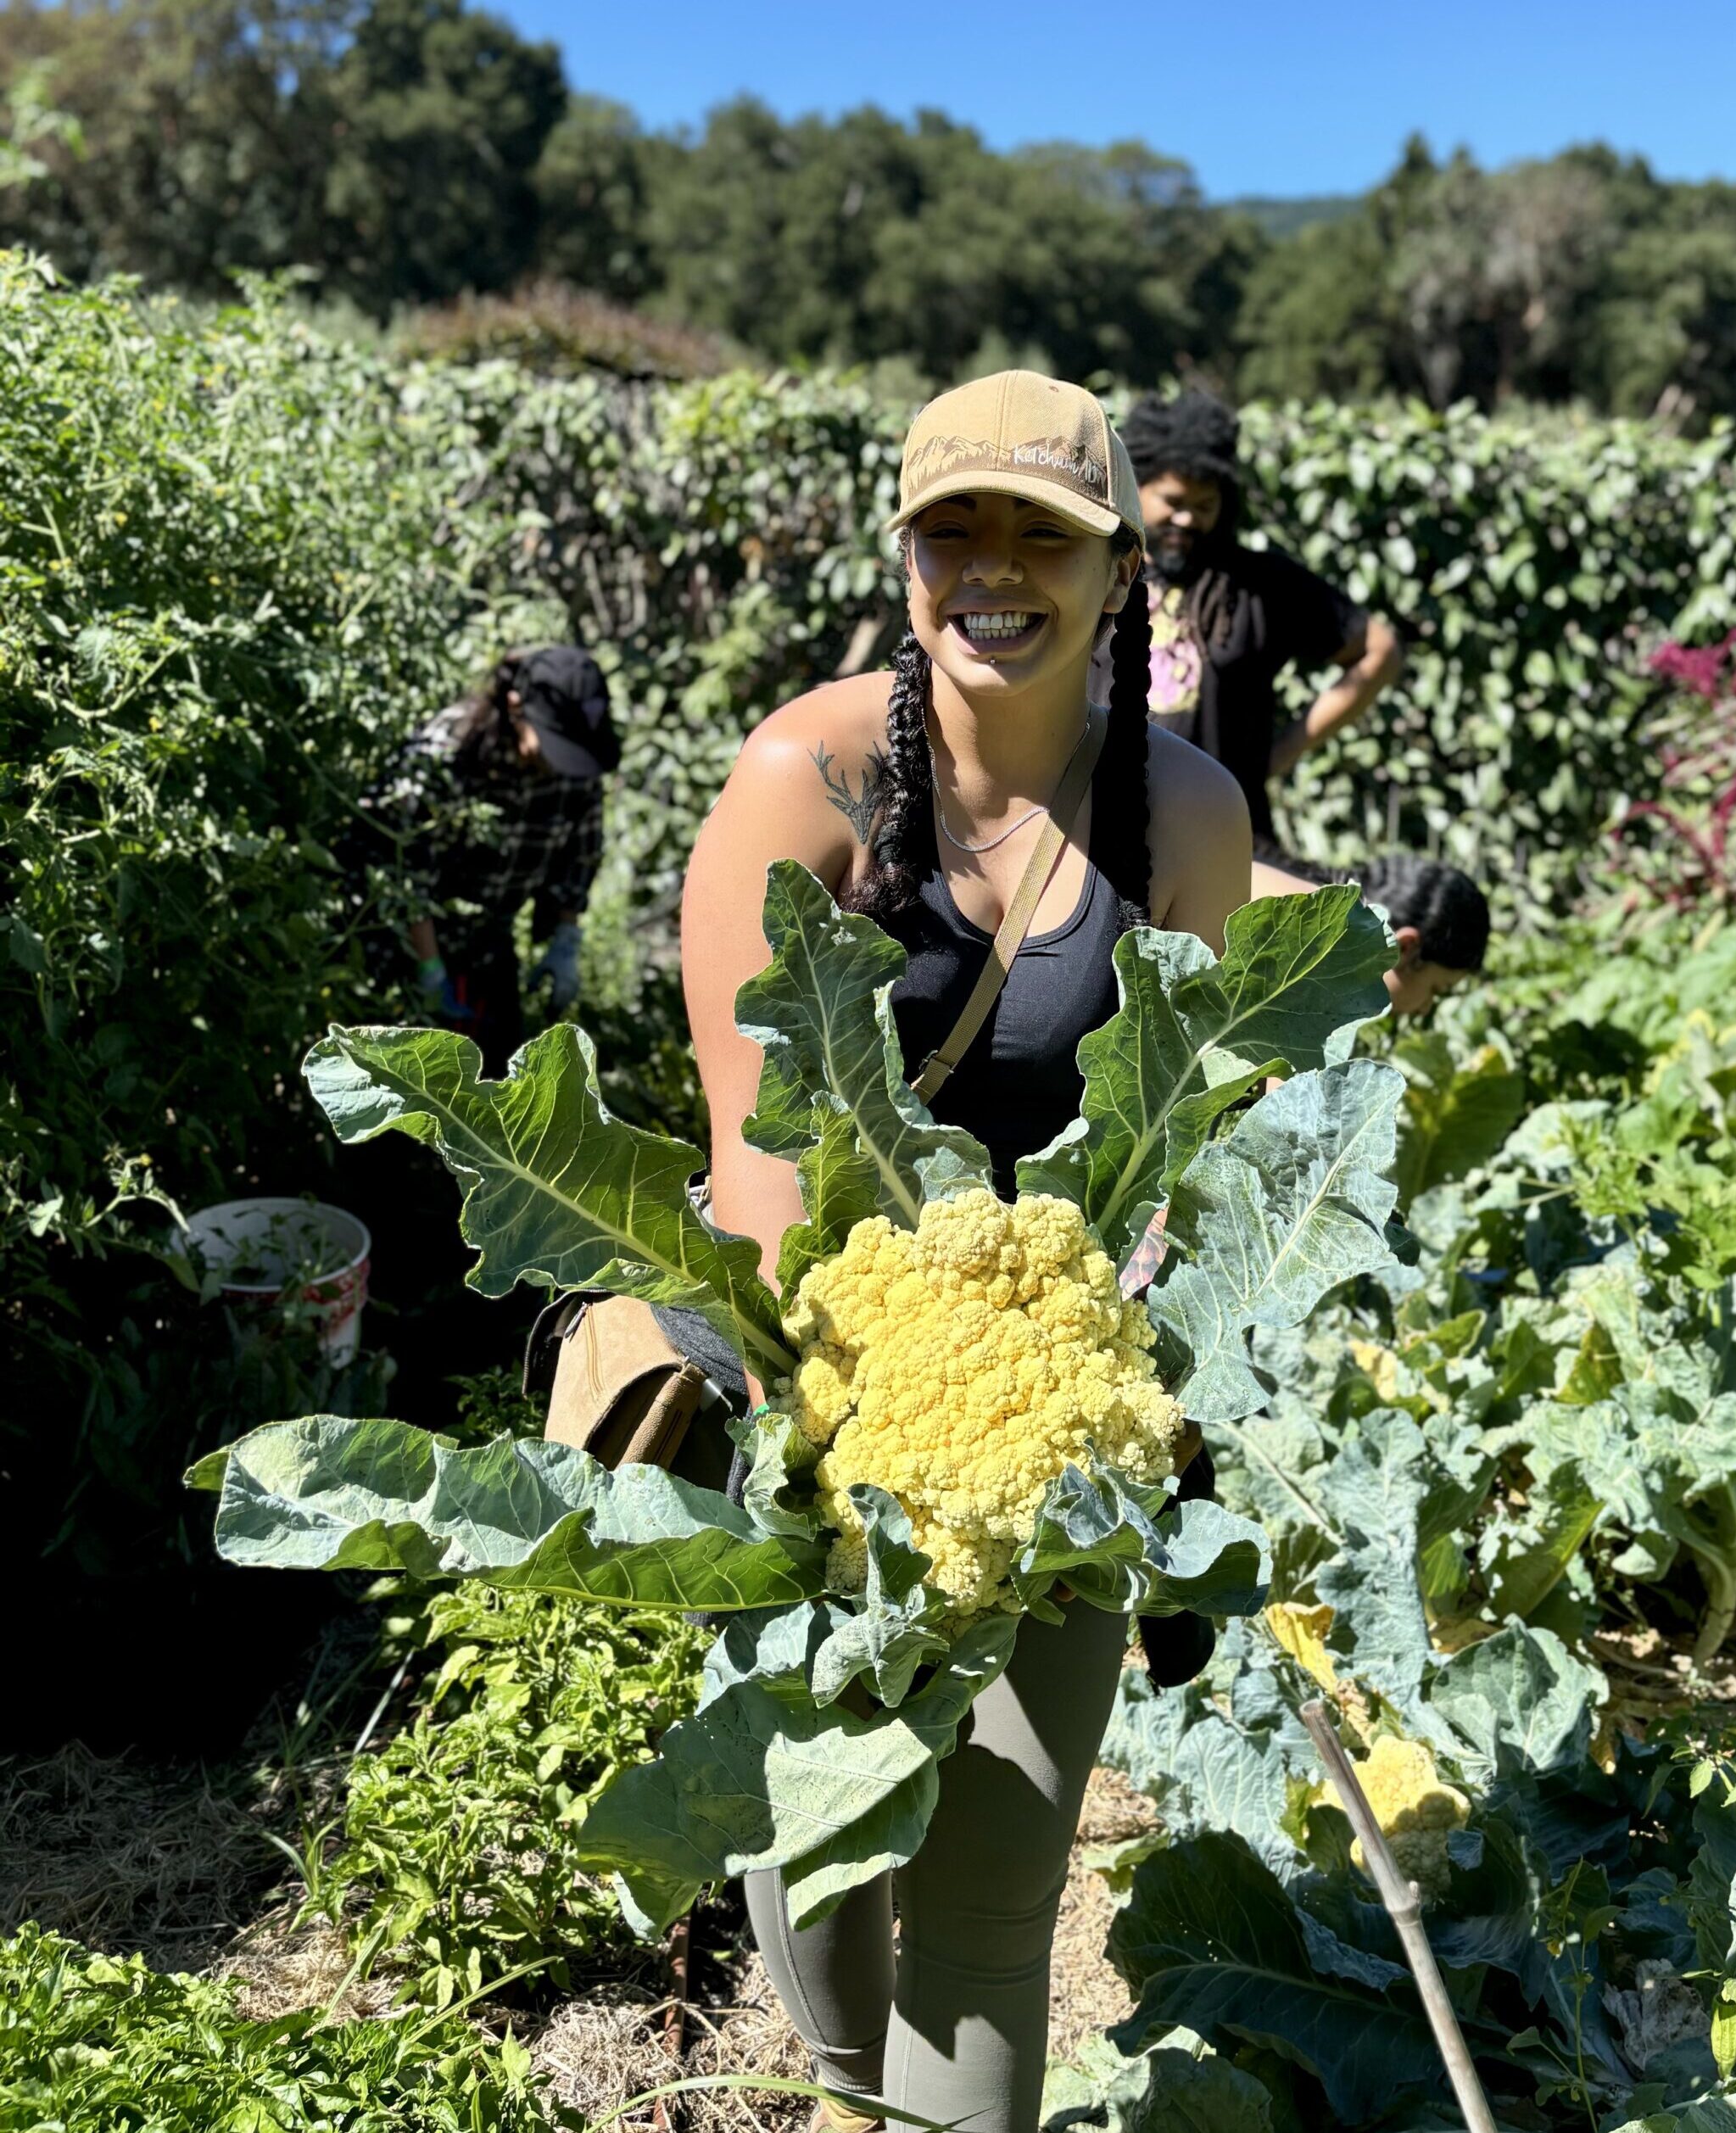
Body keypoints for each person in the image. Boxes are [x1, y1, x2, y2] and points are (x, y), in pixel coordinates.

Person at [678, 370, 1249, 2133]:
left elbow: (1181, 1153)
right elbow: (758, 1170)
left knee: (997, 1907)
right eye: (956, 528)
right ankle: (849, 2083)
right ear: (905, 550)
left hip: (1055, 1426)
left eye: (1045, 535)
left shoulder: (1192, 817)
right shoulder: (806, 775)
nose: (995, 567)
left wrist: (1120, 1384)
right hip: (817, 1391)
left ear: (1119, 568)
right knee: (817, 1853)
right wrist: (858, 1440)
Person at [1093, 388, 1404, 846]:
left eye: (1204, 507)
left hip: (1229, 841)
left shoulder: (1261, 585)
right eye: (1174, 502)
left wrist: (1283, 751)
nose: (1186, 520)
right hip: (1101, 835)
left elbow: (1380, 649)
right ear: (1138, 490)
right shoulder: (1099, 572)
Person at [358, 645, 618, 1073]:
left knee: (501, 1092)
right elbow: (403, 867)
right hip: (404, 942)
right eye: (555, 746)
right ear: (516, 708)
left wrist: (565, 941)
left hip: (489, 940)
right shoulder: (449, 752)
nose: (561, 765)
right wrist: (429, 970)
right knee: (410, 1091)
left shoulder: (577, 769)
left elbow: (579, 855)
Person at [1254, 846, 1491, 1019]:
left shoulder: (1309, 896)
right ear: (1405, 948)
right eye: (1435, 989)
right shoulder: (1317, 950)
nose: (1425, 1008)